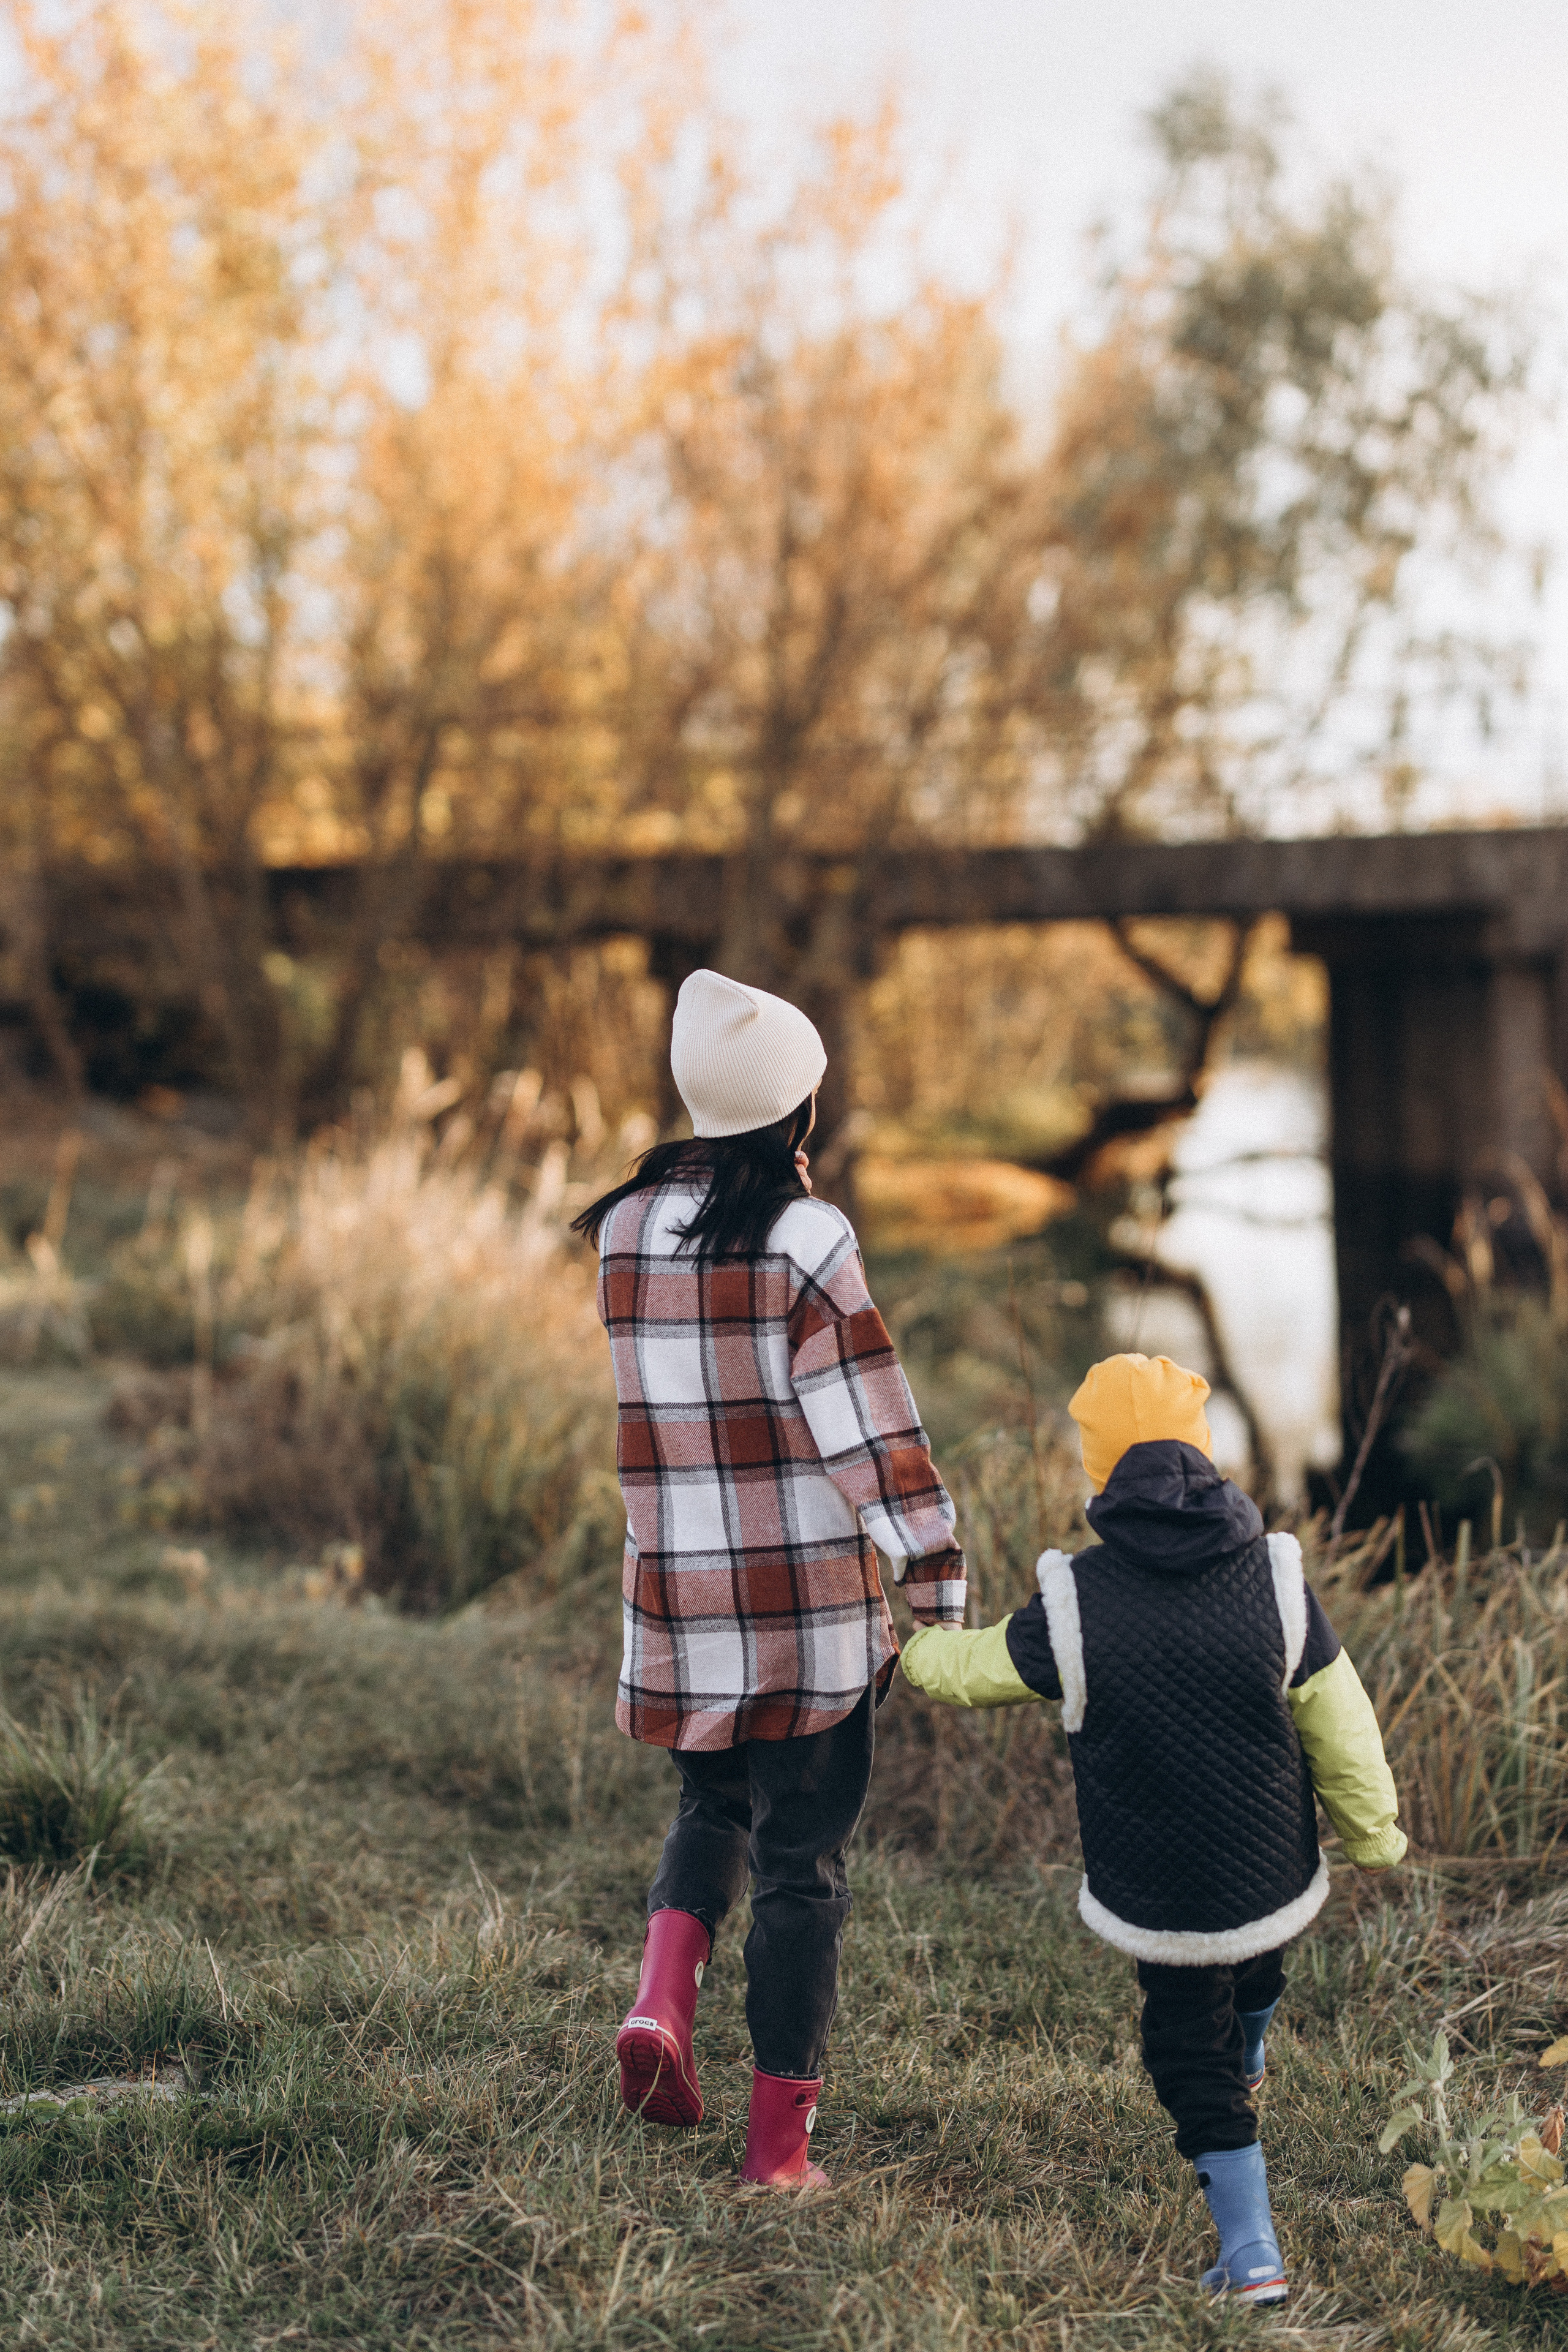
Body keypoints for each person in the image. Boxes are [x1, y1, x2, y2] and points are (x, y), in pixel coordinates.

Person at [899, 1351, 1406, 2305]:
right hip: (1268, 1869)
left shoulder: (1076, 1603)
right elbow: (1342, 1719)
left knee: (1186, 2049)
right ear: (1208, 1456)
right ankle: (1249, 2052)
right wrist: (1374, 1832)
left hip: (1160, 1881)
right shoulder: (1278, 1576)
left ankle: (1252, 2251)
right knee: (1254, 1964)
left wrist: (912, 1652)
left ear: (1098, 1473)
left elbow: (978, 1669)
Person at [573, 968, 966, 2189]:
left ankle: (660, 2007)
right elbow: (868, 1434)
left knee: (709, 1812)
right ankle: (776, 2158)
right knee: (803, 1868)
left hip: (682, 1605)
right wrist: (934, 1579)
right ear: (798, 1111)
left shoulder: (625, 1230)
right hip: (805, 1624)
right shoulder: (808, 1240)